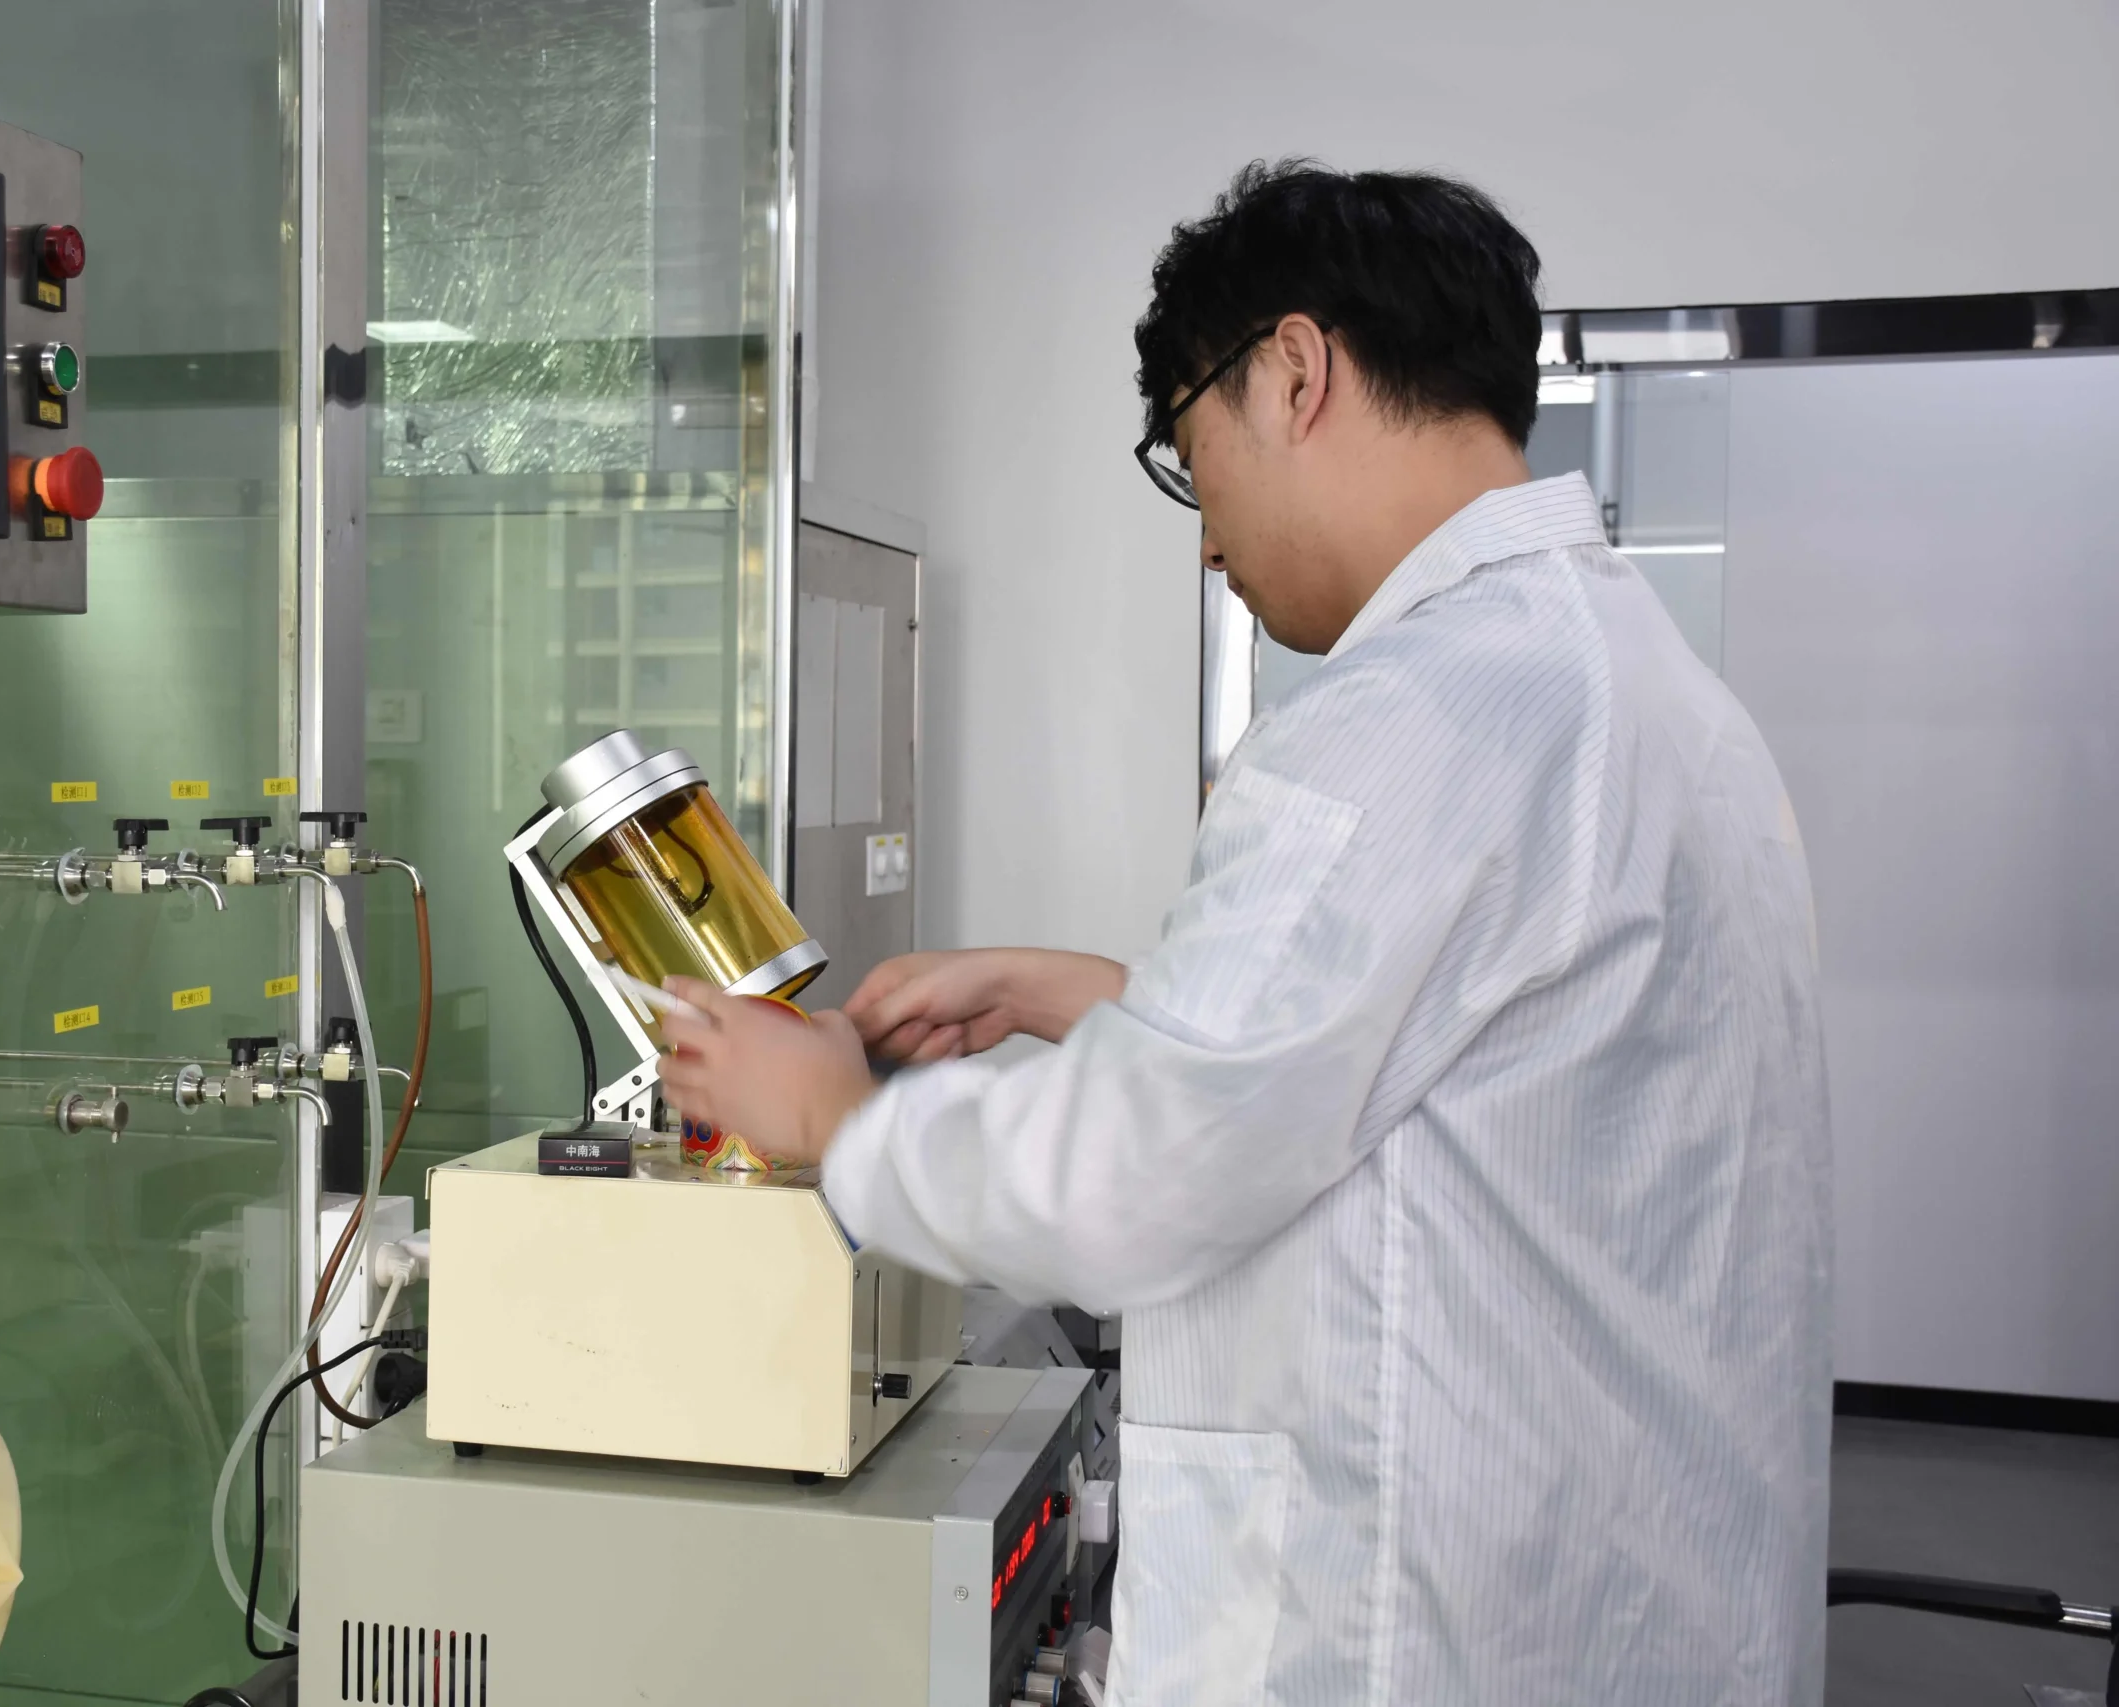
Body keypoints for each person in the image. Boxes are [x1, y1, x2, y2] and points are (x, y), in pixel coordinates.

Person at [659, 159, 1831, 1706]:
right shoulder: (1633, 685)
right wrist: (1095, 996)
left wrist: (837, 1119)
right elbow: (1464, 1067)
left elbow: (1134, 1179)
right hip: (1623, 1609)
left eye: (1187, 455)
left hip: (1429, 1638)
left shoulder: (1413, 709)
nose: (1206, 538)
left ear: (1293, 371)